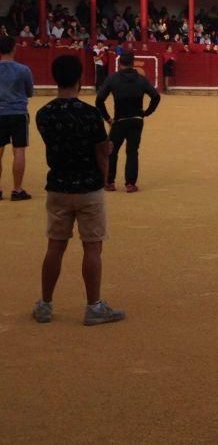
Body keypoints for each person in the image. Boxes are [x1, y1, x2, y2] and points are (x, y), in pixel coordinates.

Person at [33, 55, 125, 325]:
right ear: (81, 80)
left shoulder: (44, 114)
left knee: (55, 246)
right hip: (88, 189)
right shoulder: (90, 114)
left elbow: (58, 143)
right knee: (92, 249)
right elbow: (101, 152)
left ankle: (46, 305)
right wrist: (104, 177)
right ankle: (93, 307)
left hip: (58, 186)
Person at [95, 52, 161, 193]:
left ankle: (110, 182)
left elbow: (99, 100)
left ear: (120, 63)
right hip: (136, 120)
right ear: (133, 63)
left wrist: (108, 118)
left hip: (119, 121)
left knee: (112, 151)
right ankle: (130, 184)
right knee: (132, 151)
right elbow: (156, 97)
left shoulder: (113, 79)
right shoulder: (141, 79)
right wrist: (146, 112)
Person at [0, 35, 34, 201]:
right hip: (18, 112)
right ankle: (17, 189)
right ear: (14, 48)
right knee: (19, 150)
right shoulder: (23, 70)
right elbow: (29, 92)